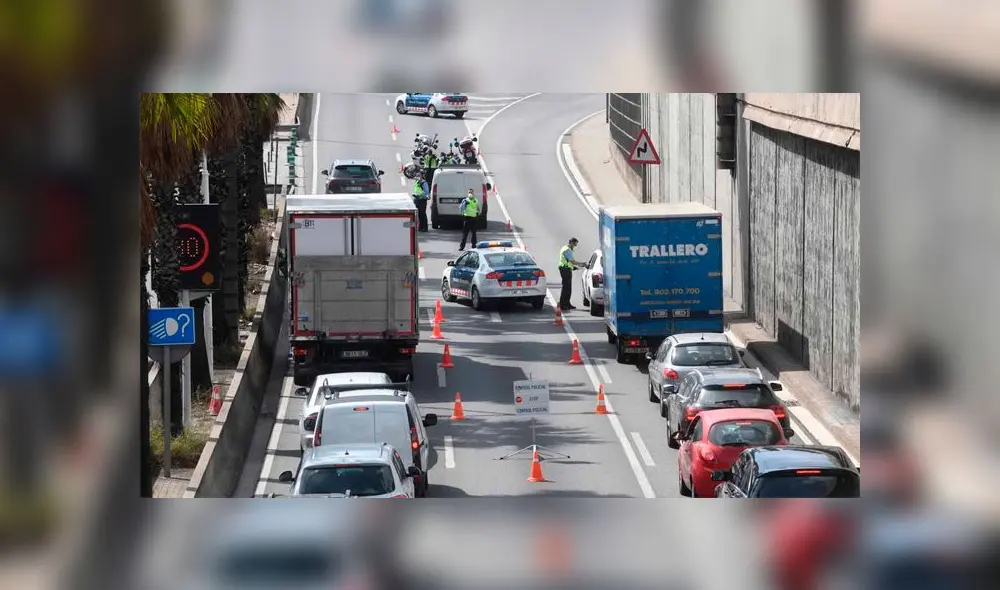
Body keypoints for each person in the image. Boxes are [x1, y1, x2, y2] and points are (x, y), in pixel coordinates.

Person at [557, 237, 583, 311]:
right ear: (571, 243)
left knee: (568, 288)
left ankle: (567, 303)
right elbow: (572, 261)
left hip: (566, 268)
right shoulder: (567, 250)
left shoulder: (566, 248)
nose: (575, 246)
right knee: (565, 288)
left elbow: (568, 262)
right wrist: (581, 264)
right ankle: (562, 304)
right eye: (574, 244)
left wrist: (573, 268)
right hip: (564, 269)